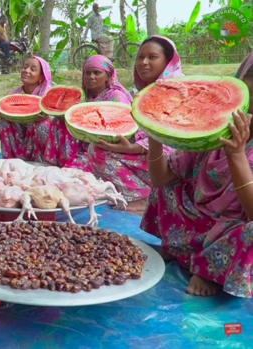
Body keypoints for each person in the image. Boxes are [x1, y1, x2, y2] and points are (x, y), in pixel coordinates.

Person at [140, 51, 253, 298]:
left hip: (234, 230)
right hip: (197, 219)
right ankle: (175, 249)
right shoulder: (210, 123)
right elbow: (161, 179)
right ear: (240, 79)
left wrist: (236, 154)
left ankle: (208, 270)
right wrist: (155, 132)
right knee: (168, 188)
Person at [83, 54, 148, 210]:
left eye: (97, 73)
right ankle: (117, 192)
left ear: (108, 75)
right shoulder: (90, 97)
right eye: (87, 72)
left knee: (96, 152)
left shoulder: (117, 96)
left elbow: (126, 129)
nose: (91, 77)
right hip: (110, 144)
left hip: (135, 147)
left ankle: (141, 195)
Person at [0, 56, 53, 161]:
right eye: (25, 67)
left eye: (33, 69)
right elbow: (3, 111)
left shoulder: (48, 94)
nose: (26, 70)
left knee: (42, 126)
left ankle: (42, 161)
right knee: (2, 124)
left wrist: (48, 118)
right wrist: (1, 113)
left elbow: (59, 121)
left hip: (39, 134)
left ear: (41, 77)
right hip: (19, 133)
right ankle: (10, 160)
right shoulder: (14, 93)